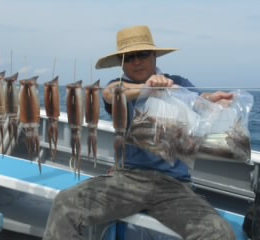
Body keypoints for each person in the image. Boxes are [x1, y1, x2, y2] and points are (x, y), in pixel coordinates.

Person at [43, 25, 235, 240]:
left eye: (142, 54)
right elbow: (110, 94)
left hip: (174, 186)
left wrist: (214, 100)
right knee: (65, 204)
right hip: (127, 179)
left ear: (154, 56)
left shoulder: (179, 84)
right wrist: (147, 88)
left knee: (220, 233)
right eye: (129, 57)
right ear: (121, 63)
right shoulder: (118, 86)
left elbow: (199, 102)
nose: (136, 61)